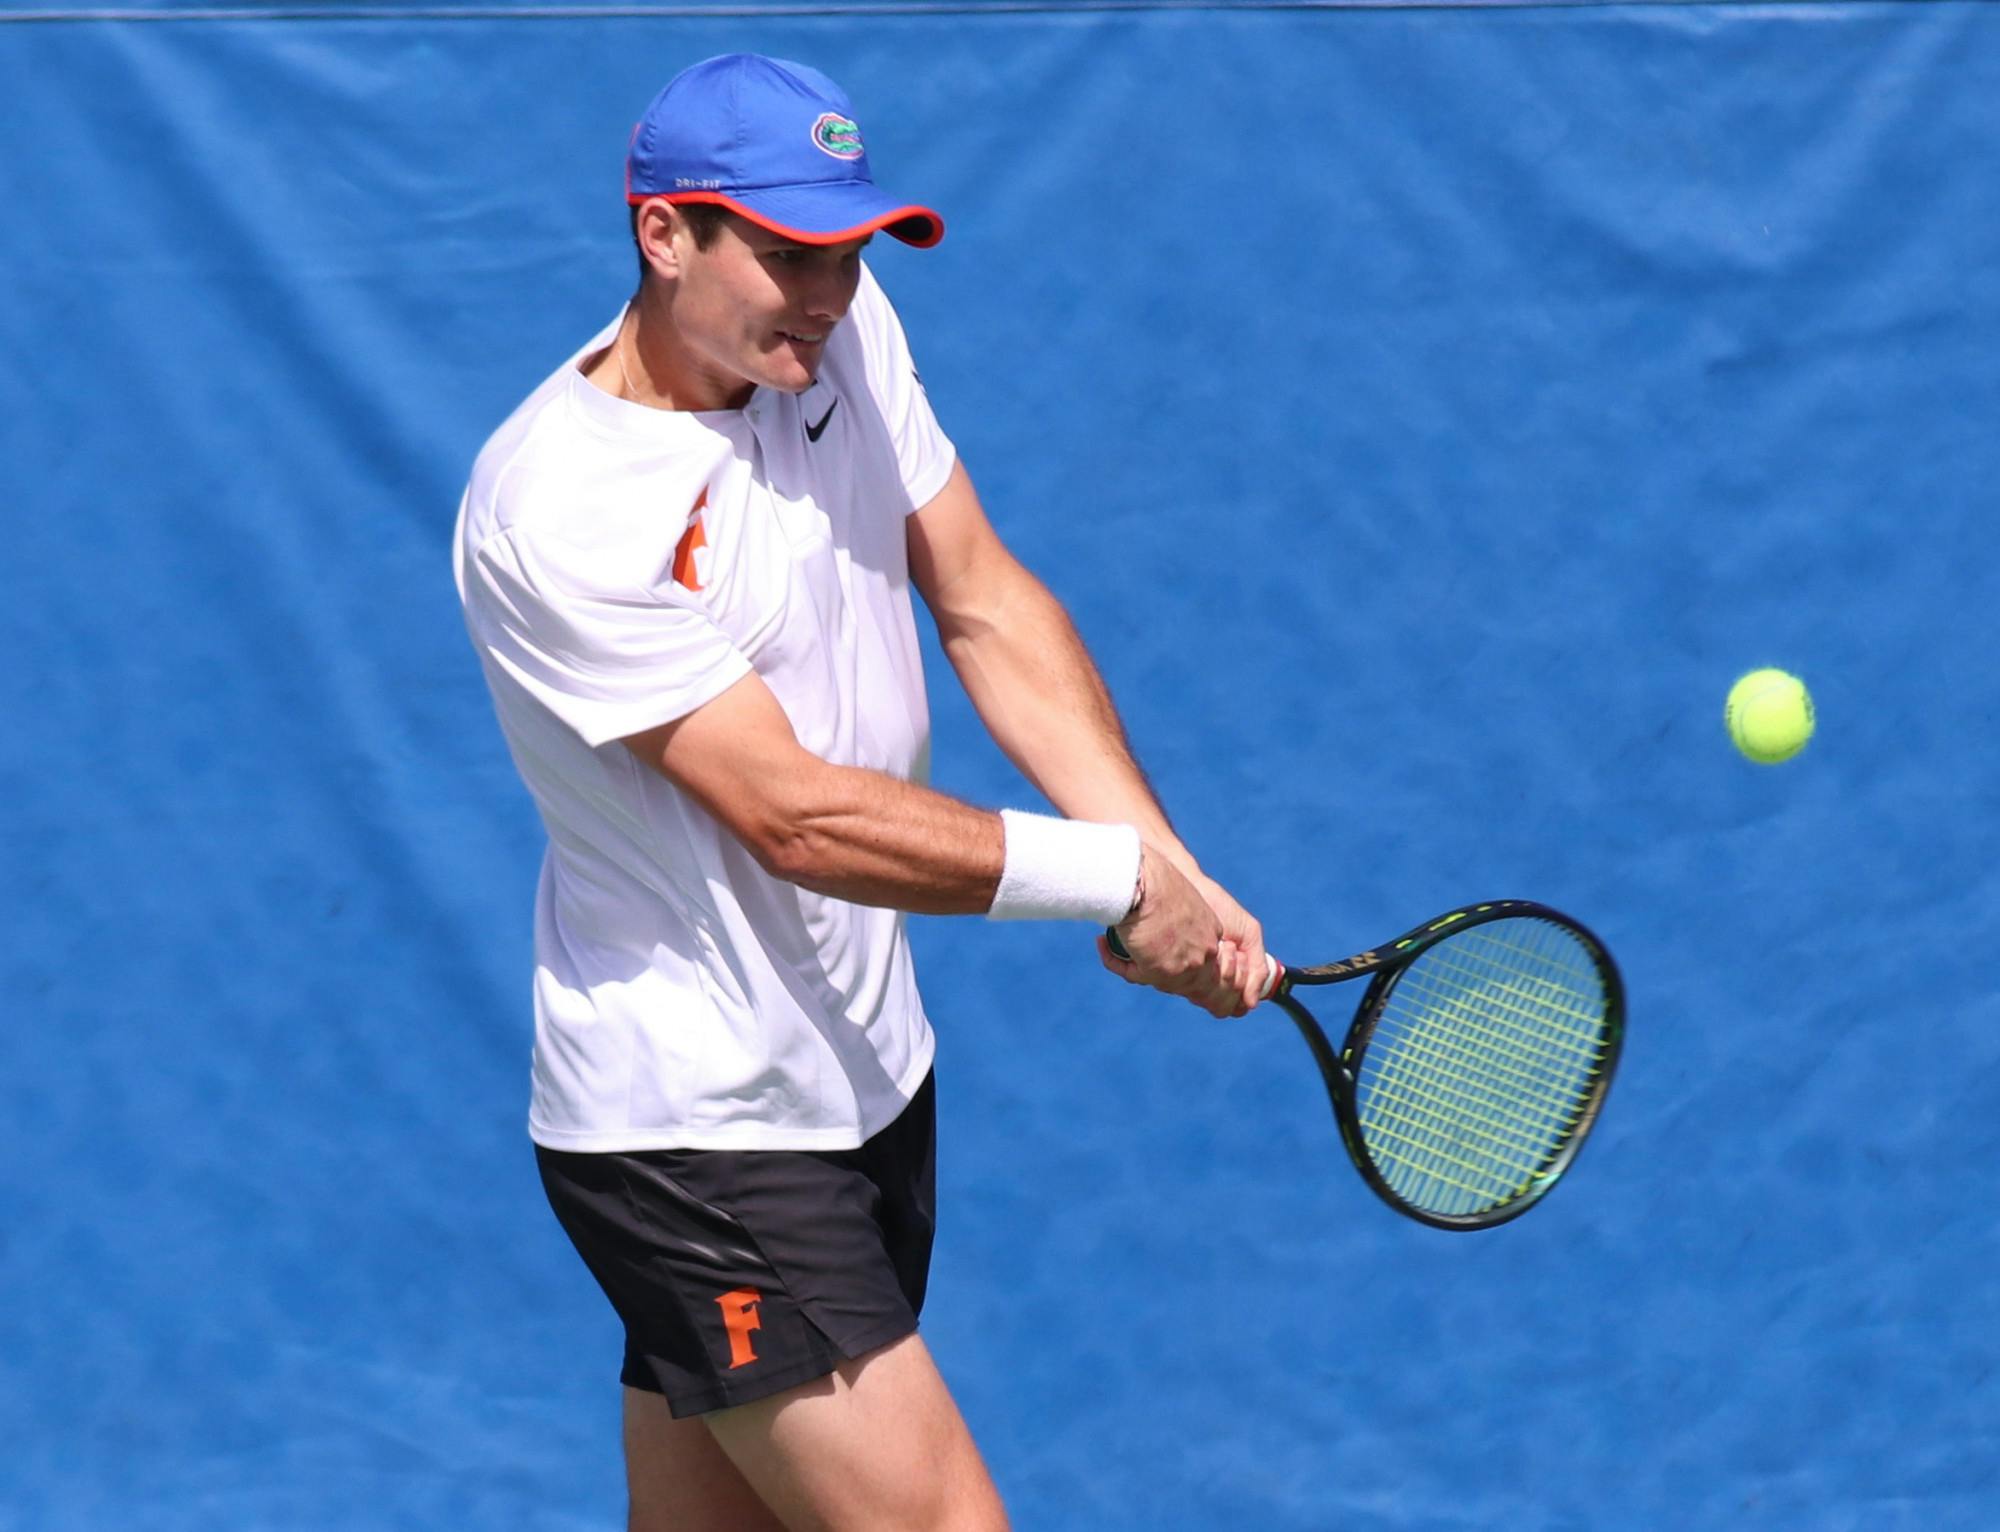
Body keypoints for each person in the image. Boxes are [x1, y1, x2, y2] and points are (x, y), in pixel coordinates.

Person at [454, 52, 1272, 1532]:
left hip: (868, 1082)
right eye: (782, 255)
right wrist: (1110, 884)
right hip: (700, 1131)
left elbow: (979, 598)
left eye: (844, 251)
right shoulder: (556, 510)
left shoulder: (836, 335)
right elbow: (796, 815)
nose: (823, 295)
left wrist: (1171, 865)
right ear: (662, 234)